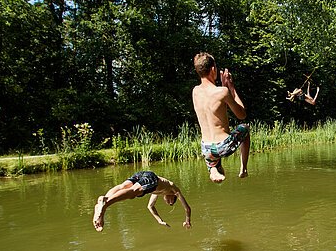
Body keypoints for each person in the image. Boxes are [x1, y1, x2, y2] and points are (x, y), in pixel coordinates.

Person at [192, 51, 250, 183]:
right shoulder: (222, 92)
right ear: (213, 69)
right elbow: (242, 115)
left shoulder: (195, 91)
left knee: (218, 168)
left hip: (206, 148)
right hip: (222, 146)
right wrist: (231, 88)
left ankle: (212, 167)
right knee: (245, 129)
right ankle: (244, 169)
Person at [92, 170, 191, 232]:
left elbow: (150, 206)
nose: (168, 201)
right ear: (173, 196)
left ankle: (103, 200)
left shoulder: (158, 192)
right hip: (152, 178)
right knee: (133, 192)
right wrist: (187, 221)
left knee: (122, 187)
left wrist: (159, 220)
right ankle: (105, 205)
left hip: (143, 174)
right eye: (170, 201)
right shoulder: (174, 189)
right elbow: (187, 208)